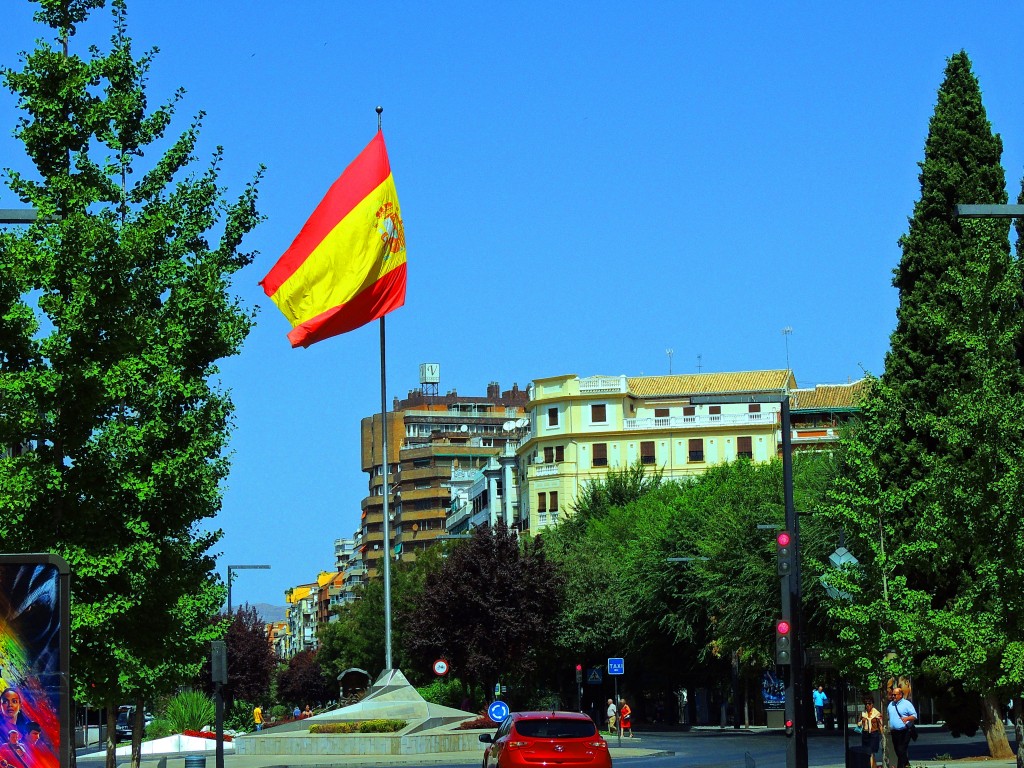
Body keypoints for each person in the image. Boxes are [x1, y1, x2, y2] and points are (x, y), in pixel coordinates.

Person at [887, 686, 917, 768]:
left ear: (900, 695)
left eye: (895, 695)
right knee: (898, 751)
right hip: (894, 732)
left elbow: (914, 716)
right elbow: (889, 716)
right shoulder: (890, 705)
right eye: (892, 695)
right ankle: (907, 764)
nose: (893, 696)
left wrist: (907, 718)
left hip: (905, 731)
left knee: (901, 750)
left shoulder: (907, 704)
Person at [859, 695, 883, 768]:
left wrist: (882, 735)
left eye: (869, 703)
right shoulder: (863, 713)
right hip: (865, 733)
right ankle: (871, 766)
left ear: (872, 704)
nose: (867, 705)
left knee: (871, 752)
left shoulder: (877, 713)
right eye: (866, 704)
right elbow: (859, 723)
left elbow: (880, 725)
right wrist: (860, 722)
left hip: (873, 734)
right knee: (866, 752)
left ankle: (872, 766)